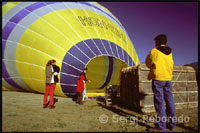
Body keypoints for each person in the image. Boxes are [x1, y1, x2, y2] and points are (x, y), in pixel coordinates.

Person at [145, 34, 176, 131]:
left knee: (159, 103)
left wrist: (152, 67)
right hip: (168, 79)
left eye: (155, 42)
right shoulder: (170, 52)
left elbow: (148, 62)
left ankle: (161, 126)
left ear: (157, 42)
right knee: (170, 101)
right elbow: (171, 64)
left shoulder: (154, 51)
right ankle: (173, 124)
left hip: (158, 79)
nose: (155, 43)